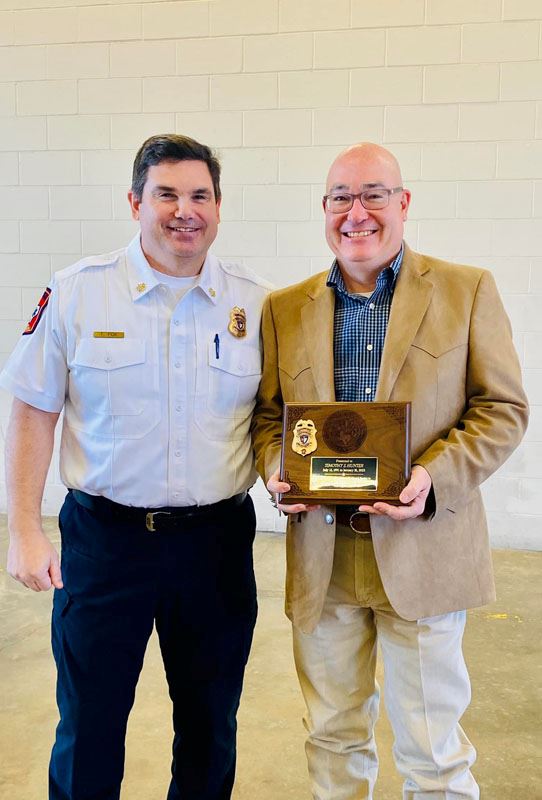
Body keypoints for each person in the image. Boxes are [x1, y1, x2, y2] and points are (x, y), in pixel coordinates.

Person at [251, 142, 528, 799]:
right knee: (333, 741)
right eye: (341, 197)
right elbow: (269, 419)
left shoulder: (466, 290)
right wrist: (275, 470)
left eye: (374, 194)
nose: (357, 212)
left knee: (433, 753)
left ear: (403, 204)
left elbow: (503, 410)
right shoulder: (284, 309)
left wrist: (432, 479)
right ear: (324, 210)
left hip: (424, 549)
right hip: (324, 557)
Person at [2, 134, 271, 800]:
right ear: (135, 202)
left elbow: (275, 418)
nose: (186, 210)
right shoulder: (77, 293)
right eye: (167, 194)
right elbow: (34, 410)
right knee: (90, 726)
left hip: (216, 544)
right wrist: (25, 530)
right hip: (105, 543)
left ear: (218, 205)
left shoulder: (256, 304)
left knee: (211, 726)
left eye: (200, 195)